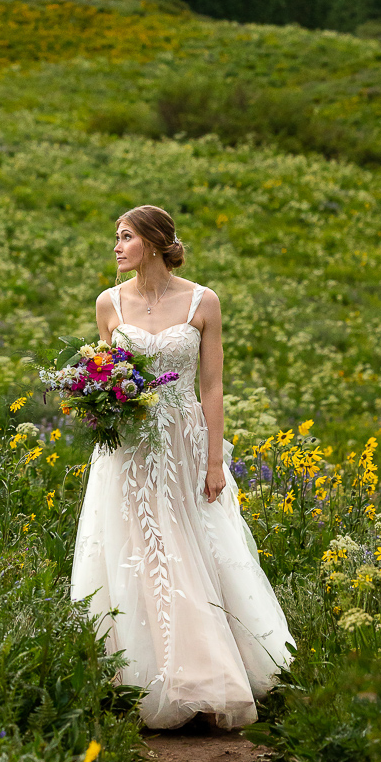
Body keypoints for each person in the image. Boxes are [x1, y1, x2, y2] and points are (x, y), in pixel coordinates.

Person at [70, 204, 293, 729]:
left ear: (150, 241)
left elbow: (211, 386)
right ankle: (138, 682)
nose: (117, 247)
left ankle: (208, 680)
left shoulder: (202, 301)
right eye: (116, 238)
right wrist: (96, 399)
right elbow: (105, 372)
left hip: (185, 445)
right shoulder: (109, 303)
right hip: (129, 449)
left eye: (125, 237)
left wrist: (216, 460)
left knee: (193, 551)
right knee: (136, 552)